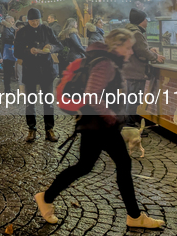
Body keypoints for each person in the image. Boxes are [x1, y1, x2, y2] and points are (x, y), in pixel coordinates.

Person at [34, 29, 165, 229]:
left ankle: (47, 197)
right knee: (121, 165)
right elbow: (92, 94)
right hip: (100, 126)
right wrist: (111, 117)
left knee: (86, 166)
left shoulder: (104, 60)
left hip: (95, 125)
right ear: (117, 46)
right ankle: (134, 216)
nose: (130, 51)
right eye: (128, 47)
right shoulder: (106, 64)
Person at [14, 8, 62, 143]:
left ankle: (49, 129)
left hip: (46, 70)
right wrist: (29, 51)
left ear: (40, 19)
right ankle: (31, 129)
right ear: (28, 20)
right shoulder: (22, 32)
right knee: (30, 103)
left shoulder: (47, 30)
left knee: (48, 102)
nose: (35, 23)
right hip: (30, 70)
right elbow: (16, 52)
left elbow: (59, 45)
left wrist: (52, 48)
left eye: (37, 20)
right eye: (32, 21)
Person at [123, 8, 165, 127]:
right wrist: (155, 56)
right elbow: (142, 51)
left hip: (131, 69)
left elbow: (139, 48)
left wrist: (149, 49)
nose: (147, 21)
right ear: (141, 20)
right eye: (146, 19)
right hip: (136, 70)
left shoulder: (130, 31)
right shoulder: (136, 33)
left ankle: (129, 122)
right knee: (134, 98)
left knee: (131, 97)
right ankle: (129, 124)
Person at [0, 15, 16, 93]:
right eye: (12, 21)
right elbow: (5, 40)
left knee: (8, 72)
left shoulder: (9, 29)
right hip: (7, 54)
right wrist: (14, 41)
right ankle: (7, 89)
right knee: (7, 72)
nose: (13, 23)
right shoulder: (6, 30)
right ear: (8, 22)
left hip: (8, 53)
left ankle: (8, 88)